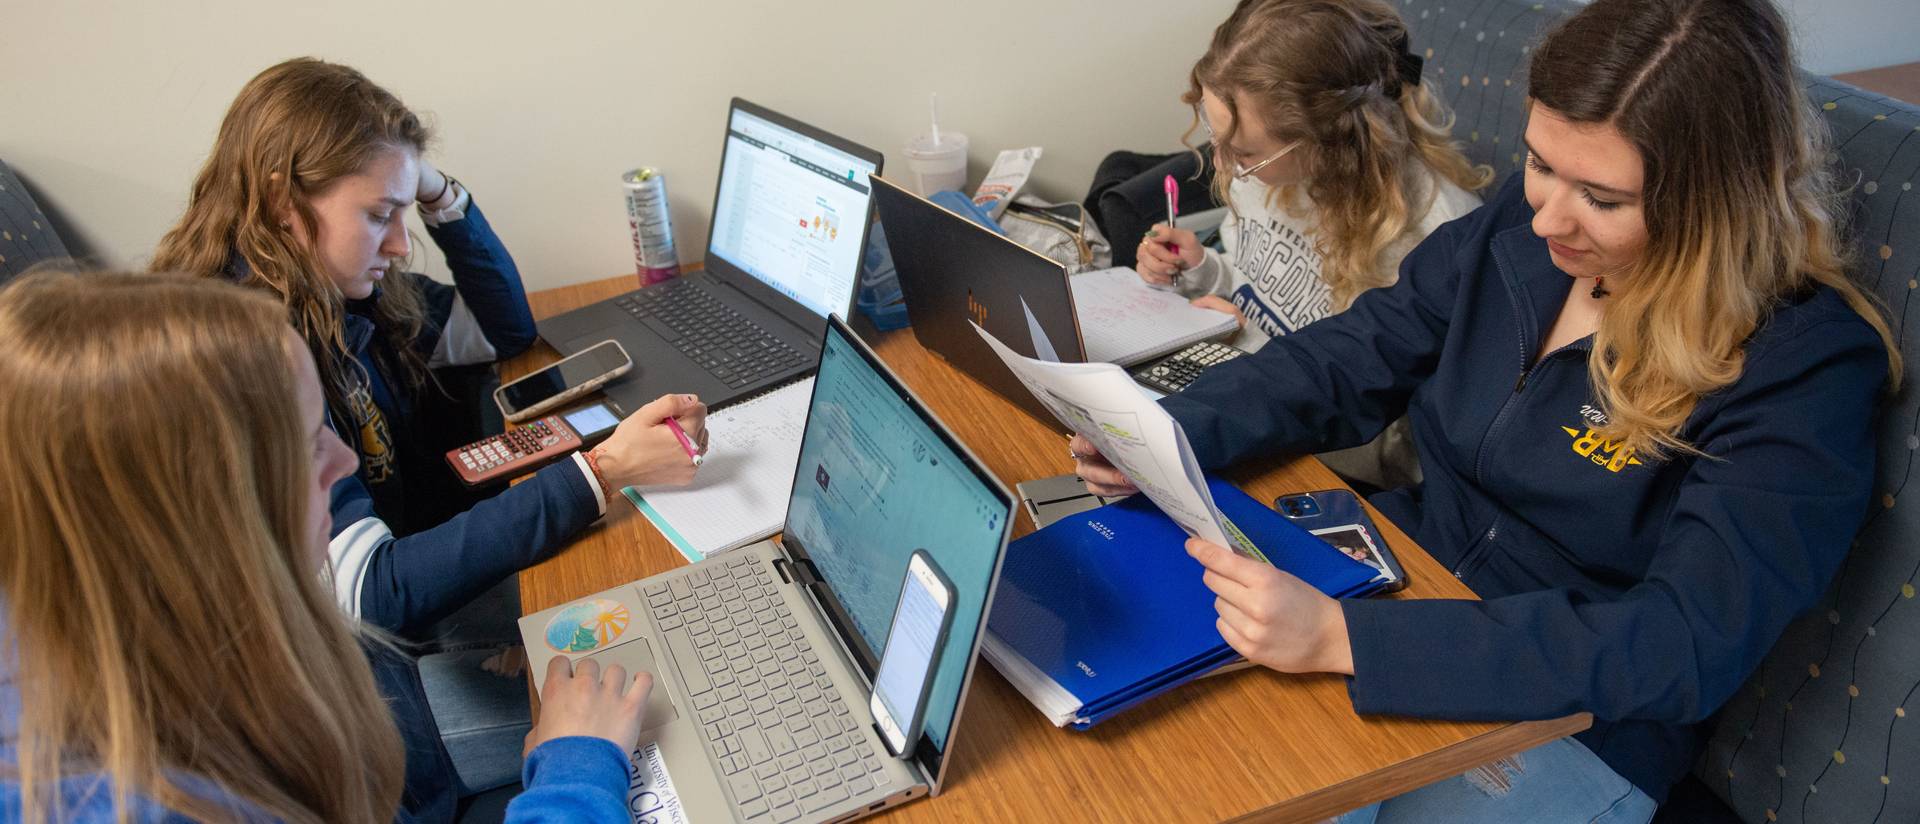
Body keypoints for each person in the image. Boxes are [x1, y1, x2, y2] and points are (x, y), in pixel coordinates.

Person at [1075, 0, 1897, 818]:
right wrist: (1166, 428)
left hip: (1574, 715)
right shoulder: (1523, 224)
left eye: (1603, 199)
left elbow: (1683, 644)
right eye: (1541, 163)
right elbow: (1356, 352)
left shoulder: (1805, 369)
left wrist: (1347, 641)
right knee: (1130, 748)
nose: (1545, 215)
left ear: (1718, 198)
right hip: (1394, 576)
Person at [149, 58, 703, 810]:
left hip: (392, 650)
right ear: (284, 201)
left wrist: (440, 196)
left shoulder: (337, 294)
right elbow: (372, 592)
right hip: (367, 703)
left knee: (641, 616)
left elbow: (502, 330)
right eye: (380, 215)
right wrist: (596, 475)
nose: (401, 243)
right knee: (669, 700)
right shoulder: (245, 353)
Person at [0, 271, 651, 823]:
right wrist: (575, 774)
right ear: (195, 515)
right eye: (308, 442)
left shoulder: (134, 621)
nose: (344, 463)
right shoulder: (134, 798)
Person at [1133, 0, 1491, 490]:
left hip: (1329, 462)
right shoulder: (1268, 171)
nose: (1226, 166)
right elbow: (1256, 285)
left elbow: (1398, 444)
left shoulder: (1439, 241)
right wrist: (1204, 270)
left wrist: (1244, 346)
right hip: (1242, 396)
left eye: (1244, 153)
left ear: (1330, 139)